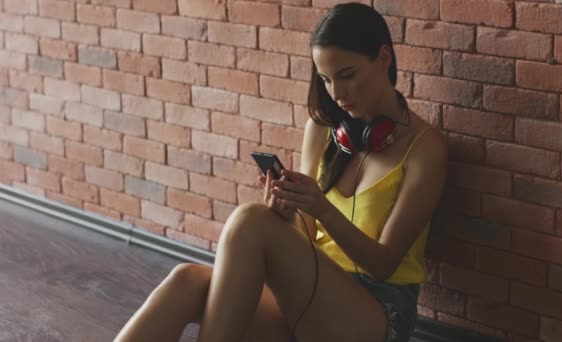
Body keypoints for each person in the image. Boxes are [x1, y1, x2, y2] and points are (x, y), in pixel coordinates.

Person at [115, 2, 447, 342]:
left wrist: (320, 207)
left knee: (250, 220)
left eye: (347, 75)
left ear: (384, 58)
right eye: (326, 80)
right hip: (313, 294)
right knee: (187, 280)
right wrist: (287, 213)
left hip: (378, 315)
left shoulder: (424, 149)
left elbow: (384, 264)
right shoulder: (323, 129)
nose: (337, 94)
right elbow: (308, 232)